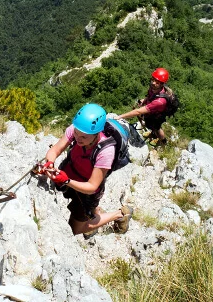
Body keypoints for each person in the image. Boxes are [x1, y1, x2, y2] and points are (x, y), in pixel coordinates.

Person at [41, 103, 133, 238]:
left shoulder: (106, 150)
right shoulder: (78, 129)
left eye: (83, 137)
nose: (78, 138)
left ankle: (119, 214)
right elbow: (55, 150)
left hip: (86, 189)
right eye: (77, 134)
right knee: (85, 212)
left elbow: (92, 186)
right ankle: (94, 213)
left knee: (75, 229)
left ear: (96, 134)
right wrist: (49, 163)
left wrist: (66, 180)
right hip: (71, 172)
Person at [114, 67, 170, 145]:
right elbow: (150, 96)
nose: (153, 83)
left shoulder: (160, 101)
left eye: (157, 82)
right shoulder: (153, 88)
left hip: (157, 115)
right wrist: (144, 100)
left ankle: (162, 141)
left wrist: (120, 116)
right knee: (152, 126)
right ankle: (153, 134)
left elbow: (138, 111)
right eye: (153, 80)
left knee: (157, 128)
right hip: (152, 112)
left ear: (162, 84)